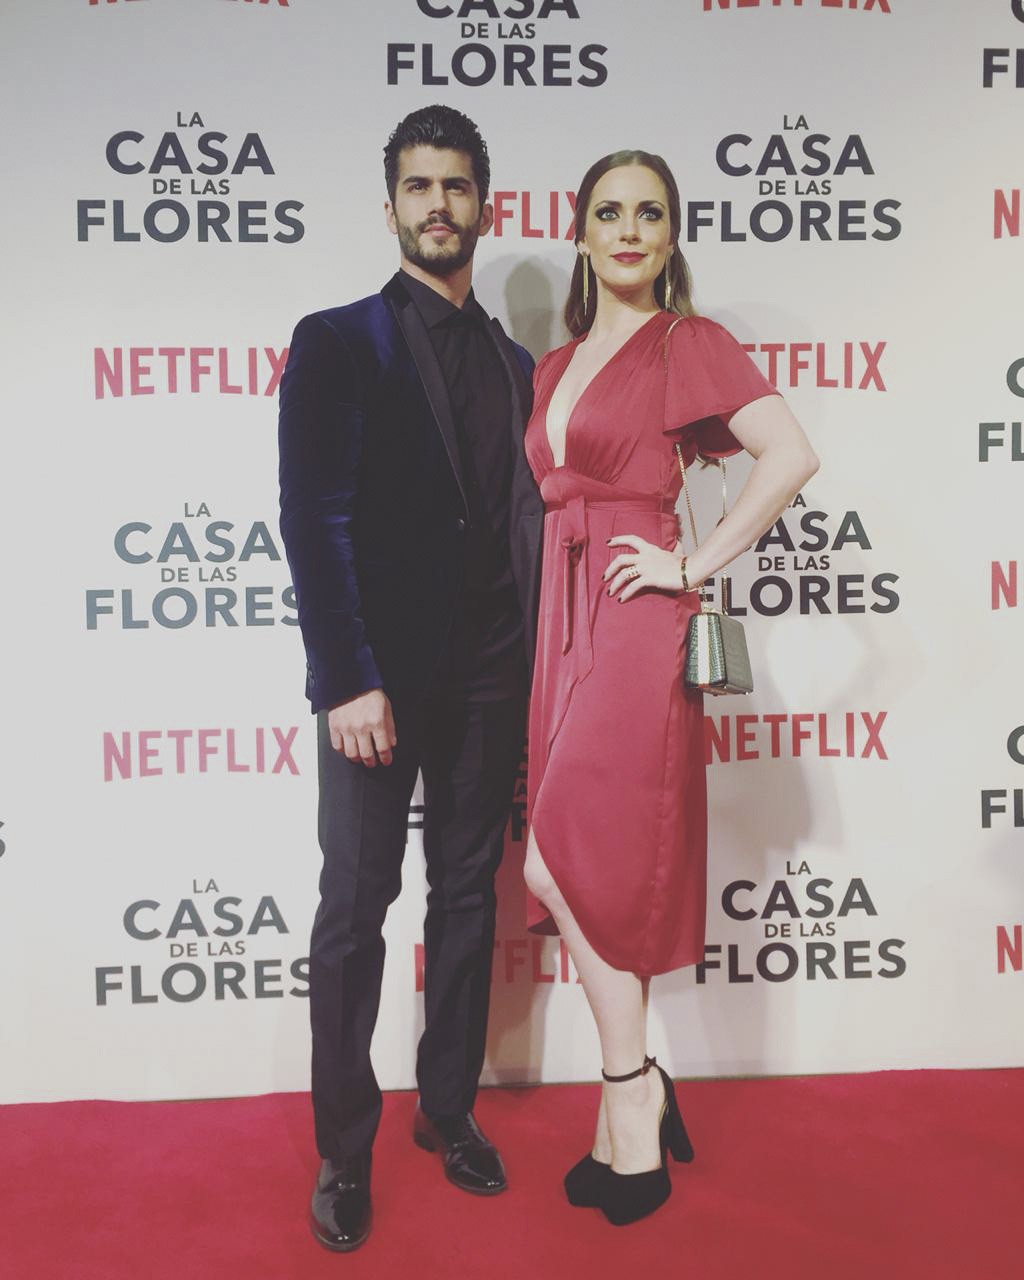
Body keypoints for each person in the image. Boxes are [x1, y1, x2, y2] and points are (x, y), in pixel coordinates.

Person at [522, 150, 819, 1226]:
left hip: (638, 619)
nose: (628, 229)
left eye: (650, 212)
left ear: (672, 233)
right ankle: (635, 1092)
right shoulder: (555, 367)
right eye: (608, 212)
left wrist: (691, 565)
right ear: (581, 232)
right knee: (572, 865)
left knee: (564, 856)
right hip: (563, 619)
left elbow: (789, 456)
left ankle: (630, 1100)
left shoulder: (685, 342)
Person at [278, 104, 543, 1253]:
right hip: (375, 686)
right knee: (353, 907)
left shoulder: (518, 364)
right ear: (389, 205)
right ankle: (344, 1148)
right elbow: (313, 517)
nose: (440, 204)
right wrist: (346, 677)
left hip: (490, 673)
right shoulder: (339, 341)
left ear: (486, 202)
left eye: (457, 185)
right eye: (419, 186)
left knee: (469, 896)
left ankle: (448, 1107)